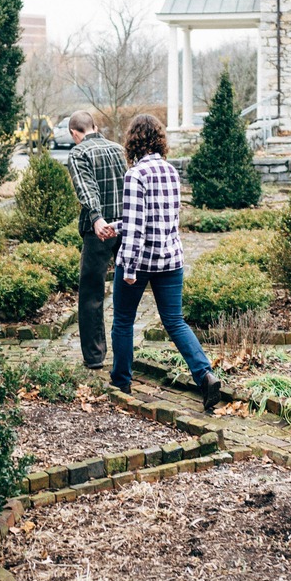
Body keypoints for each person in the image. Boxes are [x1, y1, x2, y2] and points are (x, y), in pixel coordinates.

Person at [108, 113, 223, 412]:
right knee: (174, 321)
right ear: (158, 139)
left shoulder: (135, 175)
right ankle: (205, 375)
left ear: (133, 141)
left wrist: (129, 268)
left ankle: (121, 382)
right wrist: (116, 225)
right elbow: (157, 219)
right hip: (171, 259)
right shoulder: (171, 172)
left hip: (141, 261)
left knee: (122, 321)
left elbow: (137, 228)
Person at [64, 110, 126, 371]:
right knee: (127, 288)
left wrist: (97, 217)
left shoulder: (78, 153)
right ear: (95, 126)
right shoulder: (118, 149)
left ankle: (94, 356)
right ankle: (125, 351)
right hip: (126, 226)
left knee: (91, 293)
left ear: (74, 133)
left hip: (98, 231)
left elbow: (86, 188)